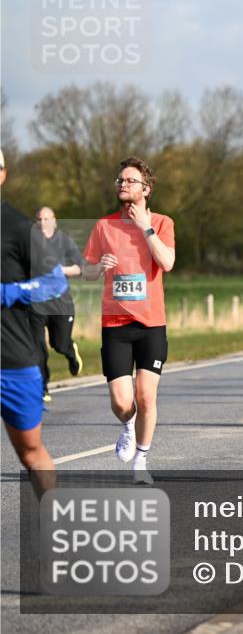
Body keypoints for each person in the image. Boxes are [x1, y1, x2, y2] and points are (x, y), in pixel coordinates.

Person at [81, 157, 175, 484]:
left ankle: (141, 460)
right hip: (115, 325)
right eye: (120, 180)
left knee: (146, 395)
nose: (123, 184)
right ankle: (128, 425)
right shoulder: (104, 226)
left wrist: (145, 227)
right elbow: (87, 270)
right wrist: (98, 267)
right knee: (122, 402)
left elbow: (167, 262)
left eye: (130, 180)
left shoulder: (162, 223)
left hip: (151, 324)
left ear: (146, 189)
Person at [1, 149, 64, 496]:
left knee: (30, 452)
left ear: (2, 175)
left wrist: (8, 293)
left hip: (12, 359)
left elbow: (55, 282)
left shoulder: (20, 228)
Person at [30, 207, 85, 402]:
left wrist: (60, 270)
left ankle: (70, 351)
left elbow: (81, 267)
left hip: (60, 303)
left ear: (54, 221)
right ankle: (42, 388)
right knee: (37, 348)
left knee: (59, 344)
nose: (43, 223)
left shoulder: (64, 241)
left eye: (47, 219)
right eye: (39, 219)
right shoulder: (29, 243)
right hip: (35, 303)